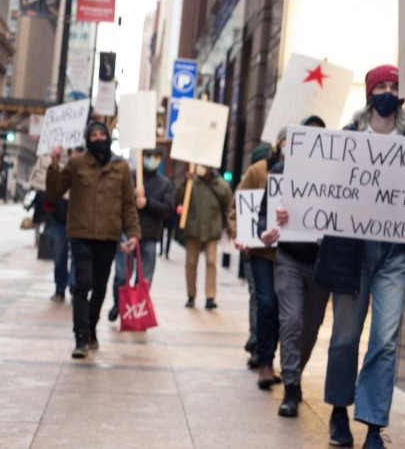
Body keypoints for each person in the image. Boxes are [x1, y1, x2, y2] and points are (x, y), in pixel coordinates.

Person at [313, 65, 405, 448]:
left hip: (396, 256)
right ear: (368, 93)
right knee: (346, 338)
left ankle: (373, 425)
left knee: (385, 341)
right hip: (352, 252)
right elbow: (321, 192)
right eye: (380, 85)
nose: (387, 91)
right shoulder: (347, 140)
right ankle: (338, 411)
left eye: (394, 86)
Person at [258, 116, 332, 418]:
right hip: (288, 258)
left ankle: (295, 372)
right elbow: (264, 217)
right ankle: (291, 387)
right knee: (290, 321)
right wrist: (267, 230)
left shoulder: (336, 175)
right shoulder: (280, 171)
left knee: (311, 328)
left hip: (322, 262)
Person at [46, 121, 140, 358]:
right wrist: (55, 163)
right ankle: (80, 338)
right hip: (81, 234)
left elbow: (128, 205)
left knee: (99, 287)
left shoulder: (121, 167)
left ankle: (90, 328)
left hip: (108, 236)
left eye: (102, 134)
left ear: (109, 138)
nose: (98, 137)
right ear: (87, 139)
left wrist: (134, 234)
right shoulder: (76, 164)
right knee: (82, 284)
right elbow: (54, 192)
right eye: (93, 134)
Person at [228, 141, 280, 388]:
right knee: (264, 301)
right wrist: (240, 235)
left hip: (291, 255)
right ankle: (264, 359)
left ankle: (268, 354)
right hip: (260, 252)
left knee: (282, 310)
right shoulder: (258, 171)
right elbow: (237, 205)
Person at [108, 148, 174, 322]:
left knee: (144, 279)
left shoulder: (164, 184)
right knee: (122, 275)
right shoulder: (129, 177)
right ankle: (119, 304)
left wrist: (148, 202)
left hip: (149, 236)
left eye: (156, 156)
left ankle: (136, 309)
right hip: (126, 234)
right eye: (148, 156)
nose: (152, 159)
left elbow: (168, 210)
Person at [175, 164, 232, 309]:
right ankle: (191, 294)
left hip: (212, 230)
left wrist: (228, 227)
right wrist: (184, 182)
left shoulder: (220, 184)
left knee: (211, 262)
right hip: (193, 229)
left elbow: (228, 204)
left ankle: (210, 296)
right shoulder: (190, 182)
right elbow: (177, 198)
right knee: (191, 262)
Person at [49, 147, 85, 302]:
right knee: (59, 256)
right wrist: (55, 163)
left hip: (79, 223)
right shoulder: (62, 172)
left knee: (78, 258)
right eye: (72, 154)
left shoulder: (87, 174)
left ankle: (74, 286)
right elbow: (51, 191)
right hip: (60, 221)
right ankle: (60, 287)